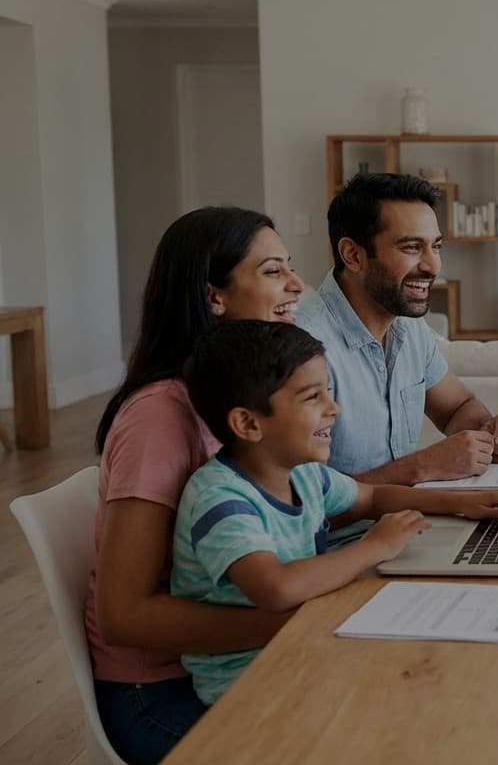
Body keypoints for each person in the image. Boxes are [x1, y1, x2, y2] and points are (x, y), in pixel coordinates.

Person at [172, 320, 498, 705]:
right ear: (247, 423)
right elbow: (277, 588)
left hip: (305, 646)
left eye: (328, 391)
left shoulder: (304, 474)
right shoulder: (220, 498)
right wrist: (374, 547)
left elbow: (372, 498)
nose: (333, 407)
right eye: (312, 397)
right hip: (249, 684)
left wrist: (458, 503)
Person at [87, 207, 306, 764]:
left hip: (231, 660)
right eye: (274, 270)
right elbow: (124, 615)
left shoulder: (240, 400)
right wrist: (290, 625)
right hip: (161, 691)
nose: (297, 285)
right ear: (214, 297)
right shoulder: (160, 416)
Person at [299, 172, 498, 489]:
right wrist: (420, 467)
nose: (433, 266)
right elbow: (296, 507)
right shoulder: (301, 347)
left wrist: (491, 434)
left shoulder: (409, 327)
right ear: (353, 255)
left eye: (436, 246)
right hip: (345, 538)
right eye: (411, 247)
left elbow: (456, 409)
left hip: (407, 519)